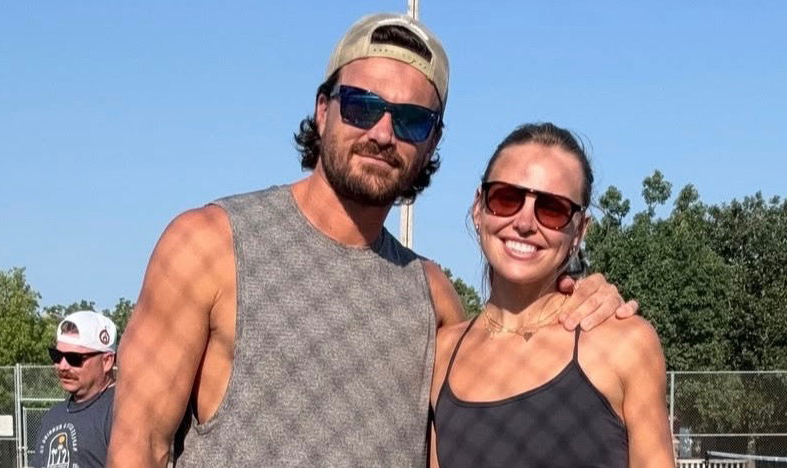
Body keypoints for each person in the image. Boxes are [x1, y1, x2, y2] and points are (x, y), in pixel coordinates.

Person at [107, 13, 636, 467]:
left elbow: (509, 350)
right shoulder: (210, 244)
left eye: (411, 120)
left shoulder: (432, 296)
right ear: (323, 109)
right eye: (362, 106)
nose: (382, 133)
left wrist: (579, 298)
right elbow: (140, 444)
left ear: (432, 141)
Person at [431, 123, 674, 468]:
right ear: (478, 207)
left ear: (579, 231)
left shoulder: (624, 344)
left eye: (552, 209)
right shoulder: (442, 354)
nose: (525, 223)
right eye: (506, 198)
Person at [33, 311, 118, 468]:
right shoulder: (53, 416)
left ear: (106, 361)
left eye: (74, 358)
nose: (62, 366)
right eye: (57, 356)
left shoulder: (120, 412)